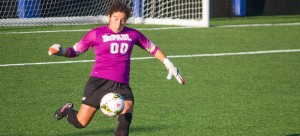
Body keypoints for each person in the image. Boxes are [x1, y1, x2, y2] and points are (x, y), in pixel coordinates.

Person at [48, 0, 185, 135]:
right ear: (109, 16)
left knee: (125, 121)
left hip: (122, 85)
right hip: (98, 83)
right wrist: (60, 51)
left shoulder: (133, 34)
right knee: (80, 123)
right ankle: (67, 110)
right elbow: (75, 51)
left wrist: (169, 64)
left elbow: (152, 48)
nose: (119, 23)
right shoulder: (96, 33)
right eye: (116, 18)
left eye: (123, 20)